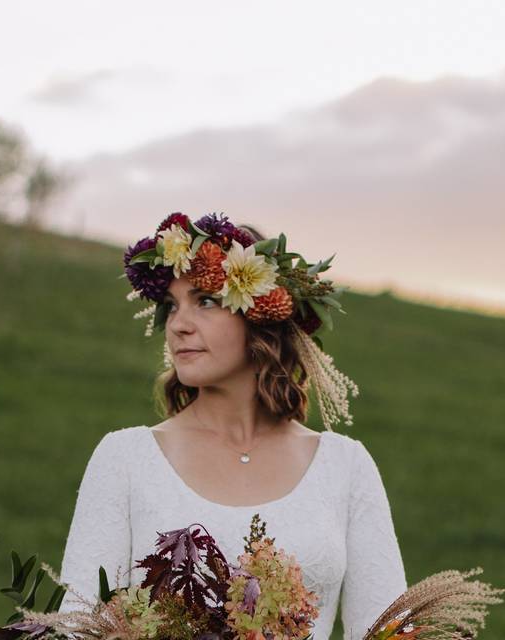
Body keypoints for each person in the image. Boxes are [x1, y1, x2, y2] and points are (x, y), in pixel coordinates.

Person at [57, 213, 407, 640]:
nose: (178, 325)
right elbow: (76, 629)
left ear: (259, 314)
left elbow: (388, 631)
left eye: (204, 300)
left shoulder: (345, 467)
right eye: (171, 306)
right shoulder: (125, 460)